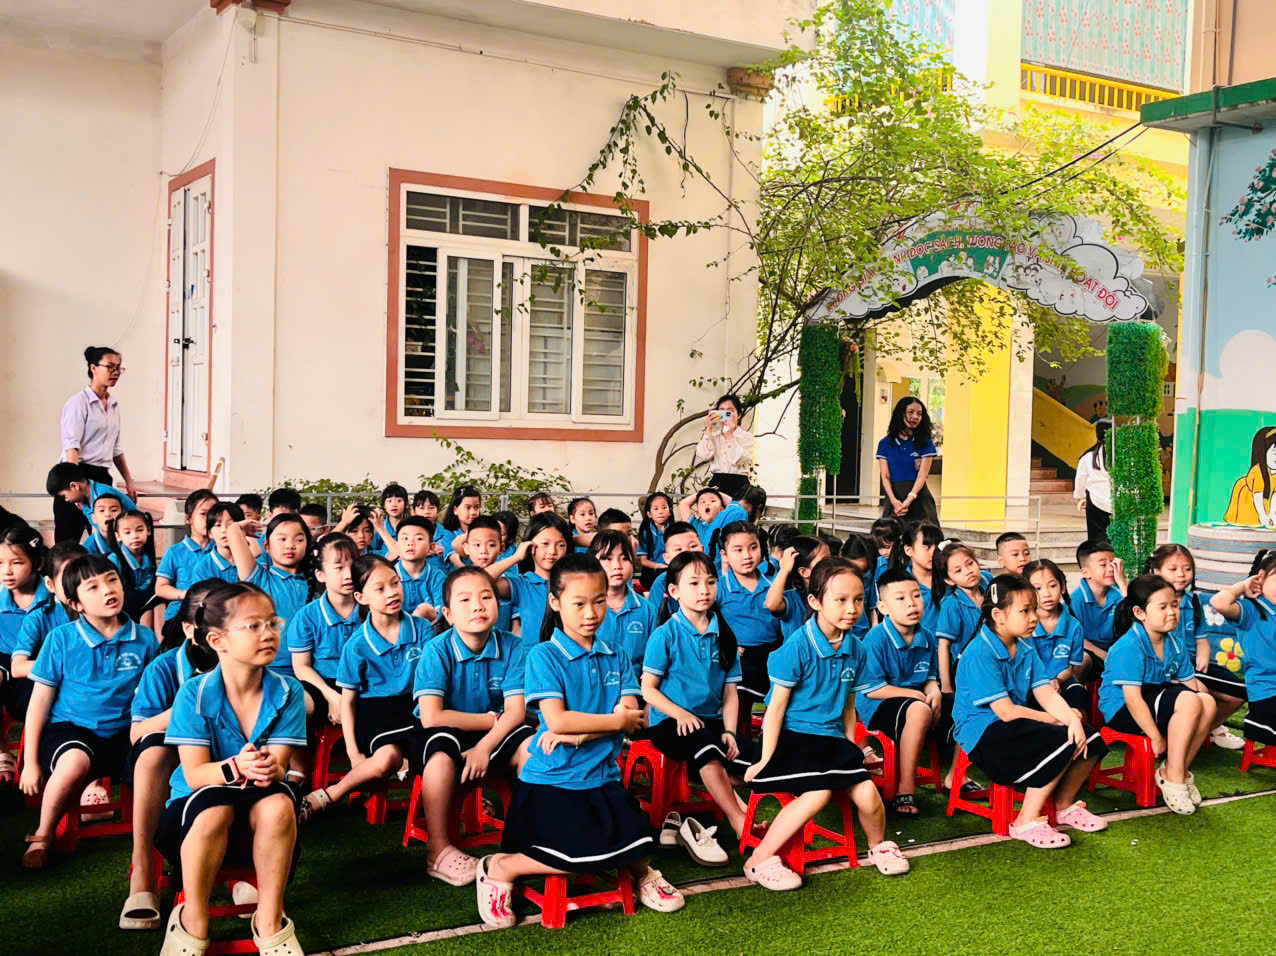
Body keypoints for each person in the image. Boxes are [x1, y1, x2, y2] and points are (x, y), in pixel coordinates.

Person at [476, 554, 685, 928]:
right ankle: (501, 867)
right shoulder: (543, 655)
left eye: (599, 601)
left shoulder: (616, 653)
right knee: (582, 852)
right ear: (555, 602)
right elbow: (559, 719)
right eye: (579, 604)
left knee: (640, 841)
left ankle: (643, 872)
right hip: (553, 783)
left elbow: (633, 719)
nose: (591, 613)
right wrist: (610, 721)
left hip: (602, 779)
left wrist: (582, 733)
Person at [154, 582, 306, 956]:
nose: (268, 633)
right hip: (192, 818)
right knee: (216, 806)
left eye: (272, 623)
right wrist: (236, 765)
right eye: (253, 626)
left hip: (260, 813)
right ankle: (193, 920)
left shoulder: (290, 691)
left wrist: (270, 769)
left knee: (279, 803)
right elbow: (195, 775)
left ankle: (270, 921)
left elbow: (279, 766)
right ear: (218, 641)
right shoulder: (193, 693)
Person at [743, 558, 910, 889]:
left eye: (858, 599)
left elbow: (848, 705)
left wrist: (850, 747)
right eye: (841, 600)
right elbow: (774, 710)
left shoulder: (856, 648)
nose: (852, 609)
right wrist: (763, 759)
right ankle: (758, 860)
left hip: (830, 740)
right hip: (792, 738)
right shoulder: (797, 647)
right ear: (815, 601)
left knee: (868, 793)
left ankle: (878, 846)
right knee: (818, 794)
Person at [19, 555, 160, 869]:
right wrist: (30, 763)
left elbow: (152, 695)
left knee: (156, 758)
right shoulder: (61, 639)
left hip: (125, 731)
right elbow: (39, 702)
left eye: (112, 580)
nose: (107, 590)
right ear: (76, 604)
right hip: (71, 729)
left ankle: (152, 841)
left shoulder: (145, 639)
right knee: (74, 762)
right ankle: (43, 834)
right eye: (92, 587)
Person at [953, 574, 1108, 847]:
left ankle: (1063, 805)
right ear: (999, 616)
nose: (1034, 617)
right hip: (982, 733)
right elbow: (1005, 712)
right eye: (1025, 611)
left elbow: (1045, 692)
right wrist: (1054, 720)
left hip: (1013, 722)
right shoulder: (980, 652)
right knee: (1061, 740)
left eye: (1034, 609)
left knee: (1090, 738)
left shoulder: (1025, 645)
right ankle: (1025, 821)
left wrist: (1071, 719)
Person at [412, 566, 533, 886]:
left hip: (495, 732)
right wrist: (487, 722)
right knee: (439, 755)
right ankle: (439, 850)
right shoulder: (437, 649)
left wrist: (483, 747)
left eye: (486, 597)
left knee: (531, 746)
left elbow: (516, 713)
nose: (478, 606)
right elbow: (432, 716)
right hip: (448, 728)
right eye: (465, 600)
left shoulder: (513, 646)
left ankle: (526, 838)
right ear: (448, 615)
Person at [121, 580, 225, 932]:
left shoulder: (245, 664)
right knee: (152, 749)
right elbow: (136, 732)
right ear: (188, 628)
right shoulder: (164, 667)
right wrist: (187, 707)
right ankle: (143, 870)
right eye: (210, 621)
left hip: (223, 758)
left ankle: (238, 871)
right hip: (172, 758)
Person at [642, 552, 749, 863]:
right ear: (674, 591)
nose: (704, 590)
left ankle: (744, 810)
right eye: (694, 583)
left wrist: (730, 731)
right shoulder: (665, 634)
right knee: (706, 748)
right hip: (669, 723)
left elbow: (730, 694)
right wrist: (680, 713)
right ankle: (739, 821)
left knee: (751, 756)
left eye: (710, 582)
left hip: (710, 722)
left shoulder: (725, 635)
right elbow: (648, 690)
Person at [302, 555, 428, 820]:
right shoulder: (357, 645)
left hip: (417, 708)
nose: (391, 593)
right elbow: (348, 702)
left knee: (439, 750)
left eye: (395, 583)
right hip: (375, 713)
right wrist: (353, 753)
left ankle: (458, 796)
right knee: (387, 759)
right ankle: (329, 796)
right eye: (380, 589)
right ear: (361, 597)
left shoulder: (423, 629)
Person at [1098, 574, 1216, 815]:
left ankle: (1176, 771)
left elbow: (1192, 685)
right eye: (1162, 607)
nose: (1172, 612)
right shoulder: (1129, 646)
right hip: (1123, 709)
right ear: (1140, 613)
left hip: (1154, 699)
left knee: (1207, 701)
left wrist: (1204, 707)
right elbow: (1132, 699)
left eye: (1174, 605)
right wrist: (1155, 737)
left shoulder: (1175, 642)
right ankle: (1174, 778)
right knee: (1189, 700)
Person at [1145, 543, 1246, 750]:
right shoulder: (1150, 603)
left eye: (1187, 569)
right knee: (1207, 693)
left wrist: (1203, 657)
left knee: (1238, 695)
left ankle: (1204, 732)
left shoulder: (1194, 601)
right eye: (1173, 569)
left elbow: (1202, 640)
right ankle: (1184, 740)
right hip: (1172, 667)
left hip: (1193, 664)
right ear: (1156, 571)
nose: (1181, 575)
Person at [861, 569, 941, 817]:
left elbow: (929, 675)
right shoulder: (875, 639)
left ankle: (957, 776)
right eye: (900, 598)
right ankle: (905, 787)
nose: (911, 603)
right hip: (877, 704)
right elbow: (873, 689)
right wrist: (916, 696)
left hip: (913, 702)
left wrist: (934, 689)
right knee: (919, 710)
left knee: (964, 705)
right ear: (883, 607)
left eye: (916, 595)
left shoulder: (927, 637)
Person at [53, 347, 139, 543]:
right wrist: (75, 485)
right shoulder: (78, 402)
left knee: (107, 539)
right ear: (93, 368)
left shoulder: (113, 404)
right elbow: (71, 447)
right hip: (76, 474)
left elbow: (116, 450)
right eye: (110, 367)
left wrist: (129, 481)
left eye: (118, 368)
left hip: (101, 476)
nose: (115, 372)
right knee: (68, 540)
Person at [284, 533, 362, 733]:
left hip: (364, 685)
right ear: (321, 575)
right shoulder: (307, 616)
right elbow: (301, 667)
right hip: (322, 685)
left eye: (353, 566)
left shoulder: (371, 609)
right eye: (339, 568)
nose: (348, 574)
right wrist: (331, 696)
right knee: (292, 704)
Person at [716, 522, 786, 737]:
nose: (747, 555)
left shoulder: (773, 585)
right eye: (738, 550)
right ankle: (738, 740)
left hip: (772, 652)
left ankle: (771, 737)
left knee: (783, 688)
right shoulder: (719, 587)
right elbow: (709, 621)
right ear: (725, 555)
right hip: (739, 655)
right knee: (737, 690)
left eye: (753, 547)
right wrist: (727, 644)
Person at [227, 515, 312, 676]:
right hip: (271, 670)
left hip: (311, 671)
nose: (290, 545)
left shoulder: (316, 580)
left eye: (299, 540)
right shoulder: (260, 579)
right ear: (267, 546)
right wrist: (241, 527)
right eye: (282, 539)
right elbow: (233, 531)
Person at [1210, 550, 1276, 754]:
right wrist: (1242, 586)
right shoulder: (1252, 610)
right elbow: (1219, 603)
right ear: (1261, 578)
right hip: (1267, 694)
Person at [486, 512, 572, 649]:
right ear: (530, 546)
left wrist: (573, 540)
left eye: (560, 545)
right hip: (531, 658)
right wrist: (516, 557)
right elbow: (479, 581)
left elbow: (607, 538)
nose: (552, 551)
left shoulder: (574, 583)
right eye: (545, 543)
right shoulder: (522, 584)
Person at [1023, 560, 1089, 716]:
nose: (1046, 593)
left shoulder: (1074, 626)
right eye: (1038, 588)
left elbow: (1069, 668)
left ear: (1063, 587)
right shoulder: (1023, 625)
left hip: (1062, 681)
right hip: (1030, 685)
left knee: (1079, 696)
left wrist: (1057, 681)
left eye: (1052, 586)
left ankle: (1080, 729)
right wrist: (1043, 685)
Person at [590, 531, 658, 680]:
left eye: (625, 558)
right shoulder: (584, 608)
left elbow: (654, 660)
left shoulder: (647, 609)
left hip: (636, 687)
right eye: (607, 558)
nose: (617, 566)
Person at [154, 490, 218, 622]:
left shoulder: (221, 549)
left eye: (213, 514)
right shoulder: (175, 552)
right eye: (203, 514)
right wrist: (187, 595)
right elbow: (160, 588)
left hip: (214, 613)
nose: (209, 519)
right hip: (181, 614)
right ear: (188, 519)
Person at [876, 397, 939, 525]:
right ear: (900, 413)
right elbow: (885, 476)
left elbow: (922, 475)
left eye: (919, 414)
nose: (915, 417)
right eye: (911, 412)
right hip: (894, 501)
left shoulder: (926, 443)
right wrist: (894, 501)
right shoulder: (885, 444)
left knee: (922, 536)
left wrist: (909, 499)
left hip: (919, 499)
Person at [1071, 539, 1127, 680]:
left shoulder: (1117, 595)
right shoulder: (1076, 600)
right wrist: (1105, 656)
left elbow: (1135, 618)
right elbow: (1076, 638)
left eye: (1113, 563)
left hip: (1114, 650)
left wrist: (1122, 583)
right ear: (1085, 572)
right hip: (1089, 652)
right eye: (1103, 565)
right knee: (1081, 660)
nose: (1111, 569)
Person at [696, 393, 755, 500]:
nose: (726, 414)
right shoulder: (713, 436)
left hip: (740, 484)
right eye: (722, 411)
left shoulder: (747, 437)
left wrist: (730, 437)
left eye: (730, 411)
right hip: (717, 483)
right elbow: (704, 455)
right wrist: (709, 429)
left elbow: (739, 460)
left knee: (737, 510)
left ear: (739, 415)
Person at [106, 509, 158, 629]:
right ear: (118, 536)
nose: (134, 536)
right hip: (123, 607)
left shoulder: (148, 557)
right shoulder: (114, 560)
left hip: (143, 603)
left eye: (140, 530)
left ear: (148, 531)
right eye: (127, 532)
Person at [1074, 420, 1113, 541]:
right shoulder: (1122, 456)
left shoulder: (1088, 457)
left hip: (1095, 503)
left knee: (1096, 540)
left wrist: (1080, 496)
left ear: (1097, 435)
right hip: (1117, 504)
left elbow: (1080, 479)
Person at [439, 486, 483, 570]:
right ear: (455, 510)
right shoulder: (449, 535)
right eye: (468, 508)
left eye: (476, 507)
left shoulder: (484, 532)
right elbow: (458, 563)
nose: (473, 512)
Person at [637, 493, 674, 590]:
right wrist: (659, 566)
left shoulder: (675, 530)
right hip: (653, 570)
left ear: (670, 511)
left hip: (671, 568)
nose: (661, 512)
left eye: (664, 507)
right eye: (656, 509)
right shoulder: (646, 532)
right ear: (649, 514)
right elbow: (643, 561)